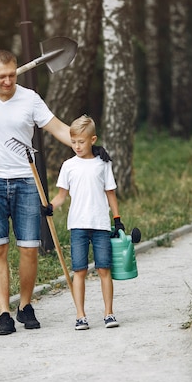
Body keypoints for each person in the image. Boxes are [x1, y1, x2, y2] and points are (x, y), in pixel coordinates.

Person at [0, 50, 108, 336]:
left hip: (26, 182)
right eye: (1, 76)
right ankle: (4, 313)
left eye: (12, 75)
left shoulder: (29, 99)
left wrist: (87, 146)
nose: (7, 81)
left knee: (29, 249)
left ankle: (25, 306)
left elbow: (58, 129)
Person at [46, 115, 125, 330]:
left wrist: (117, 220)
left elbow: (111, 194)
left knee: (104, 270)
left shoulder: (103, 164)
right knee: (79, 271)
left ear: (92, 139)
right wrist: (49, 207)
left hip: (100, 224)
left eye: (81, 142)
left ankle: (109, 313)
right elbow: (61, 196)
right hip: (78, 225)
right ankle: (80, 315)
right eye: (73, 142)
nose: (77, 146)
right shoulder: (68, 166)